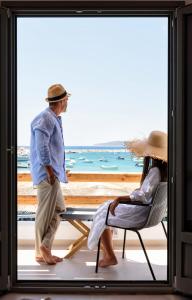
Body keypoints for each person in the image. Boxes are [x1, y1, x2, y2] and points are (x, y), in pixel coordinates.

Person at [88, 130, 167, 268]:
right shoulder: (165, 173)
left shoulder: (155, 171)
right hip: (152, 214)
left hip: (142, 214)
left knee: (104, 212)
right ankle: (108, 253)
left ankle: (110, 256)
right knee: (106, 207)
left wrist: (119, 198)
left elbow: (143, 195)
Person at [30, 83, 70, 265]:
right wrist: (49, 170)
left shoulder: (52, 118)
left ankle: (44, 246)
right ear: (62, 101)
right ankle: (41, 253)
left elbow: (50, 148)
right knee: (44, 214)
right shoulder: (46, 118)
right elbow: (41, 146)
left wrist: (58, 169)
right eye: (67, 99)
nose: (68, 101)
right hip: (47, 176)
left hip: (52, 174)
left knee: (59, 209)